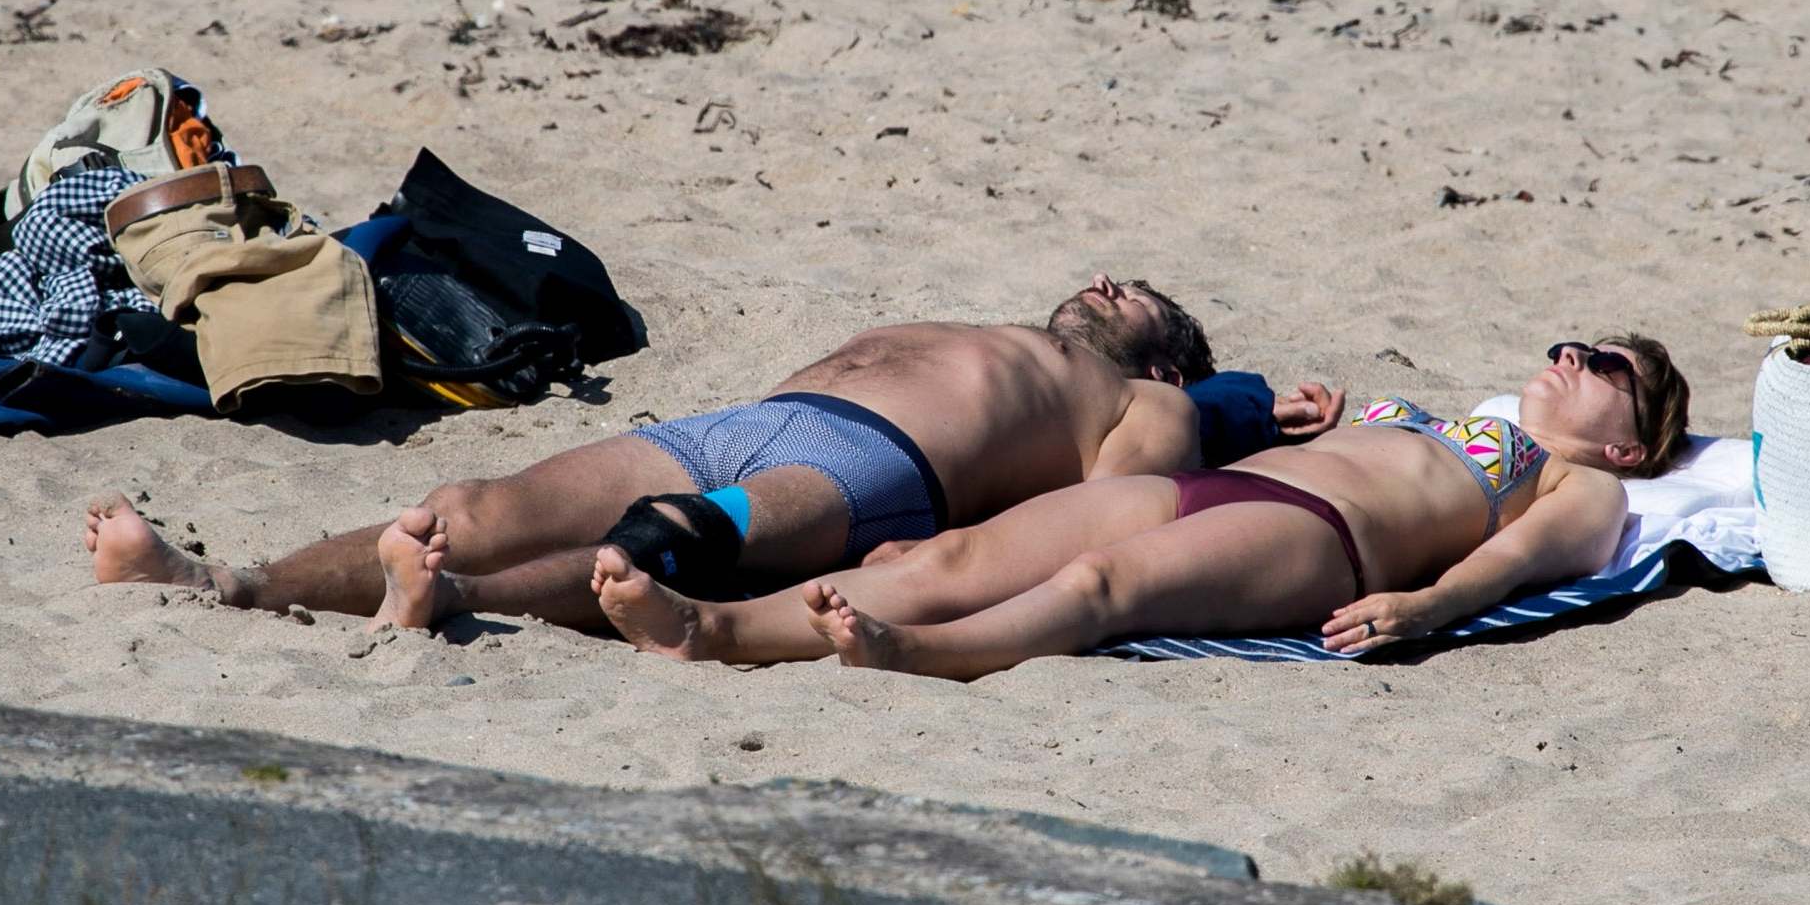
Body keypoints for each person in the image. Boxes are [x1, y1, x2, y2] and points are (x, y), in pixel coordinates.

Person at [87, 273, 1345, 627]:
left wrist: (1240, 409)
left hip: (876, 471)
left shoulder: (1152, 399)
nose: (1109, 283)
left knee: (661, 551)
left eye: (1137, 300)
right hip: (732, 419)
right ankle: (220, 583)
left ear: (1166, 355)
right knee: (464, 496)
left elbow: (1121, 504)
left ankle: (451, 604)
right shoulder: (1001, 326)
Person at [576, 335, 1690, 679]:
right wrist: (1327, 416)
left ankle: (919, 652)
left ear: (1629, 436)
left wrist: (1425, 607)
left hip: (1322, 542)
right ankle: (708, 629)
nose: (1563, 355)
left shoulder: (1584, 484)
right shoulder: (1457, 419)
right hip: (1229, 483)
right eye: (1563, 344)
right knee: (957, 550)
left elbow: (1520, 563)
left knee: (1095, 590)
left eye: (1596, 361)